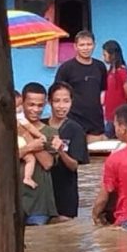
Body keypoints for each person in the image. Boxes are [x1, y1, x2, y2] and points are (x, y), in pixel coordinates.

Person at [53, 30, 107, 142]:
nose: (86, 48)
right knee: (73, 156)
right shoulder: (66, 68)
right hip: (73, 119)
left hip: (95, 121)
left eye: (89, 44)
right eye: (82, 45)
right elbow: (56, 95)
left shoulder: (100, 67)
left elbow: (102, 91)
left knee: (94, 156)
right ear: (75, 47)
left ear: (94, 45)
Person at [44, 82, 88, 219]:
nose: (61, 106)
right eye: (56, 101)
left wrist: (61, 151)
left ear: (71, 102)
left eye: (66, 101)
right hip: (43, 194)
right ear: (49, 102)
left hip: (65, 194)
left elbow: (74, 165)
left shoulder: (76, 130)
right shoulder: (40, 126)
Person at [18, 83, 59, 226]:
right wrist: (28, 147)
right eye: (31, 105)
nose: (36, 110)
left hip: (39, 203)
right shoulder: (8, 129)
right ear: (22, 103)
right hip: (12, 200)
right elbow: (0, 162)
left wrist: (27, 136)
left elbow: (48, 164)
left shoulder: (50, 133)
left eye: (40, 106)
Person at [15, 90, 47, 189]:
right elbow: (29, 127)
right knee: (31, 159)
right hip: (20, 142)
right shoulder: (19, 118)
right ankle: (28, 177)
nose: (19, 108)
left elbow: (48, 164)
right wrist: (39, 135)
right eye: (18, 106)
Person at [101, 40, 127, 139]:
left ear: (112, 55)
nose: (103, 57)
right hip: (109, 114)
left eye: (105, 55)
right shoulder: (110, 72)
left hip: (118, 116)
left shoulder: (121, 71)